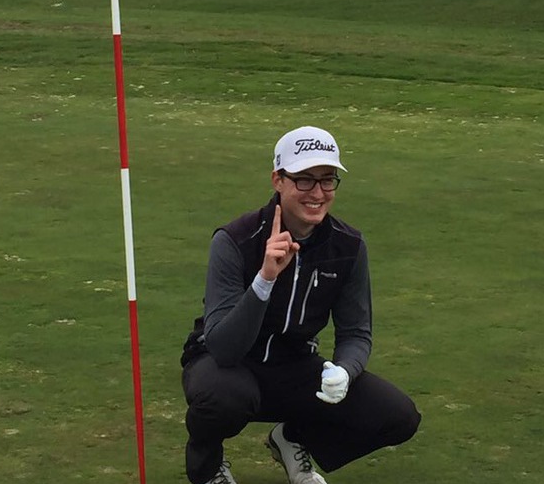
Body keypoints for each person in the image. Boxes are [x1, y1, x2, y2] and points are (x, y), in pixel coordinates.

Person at [180, 126, 421, 484]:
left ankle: (292, 438)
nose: (318, 193)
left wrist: (345, 371)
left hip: (295, 366)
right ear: (278, 180)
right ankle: (208, 467)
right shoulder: (235, 240)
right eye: (304, 180)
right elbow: (224, 347)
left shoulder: (348, 246)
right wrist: (264, 280)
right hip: (224, 366)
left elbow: (356, 332)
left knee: (398, 416)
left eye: (327, 180)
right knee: (225, 397)